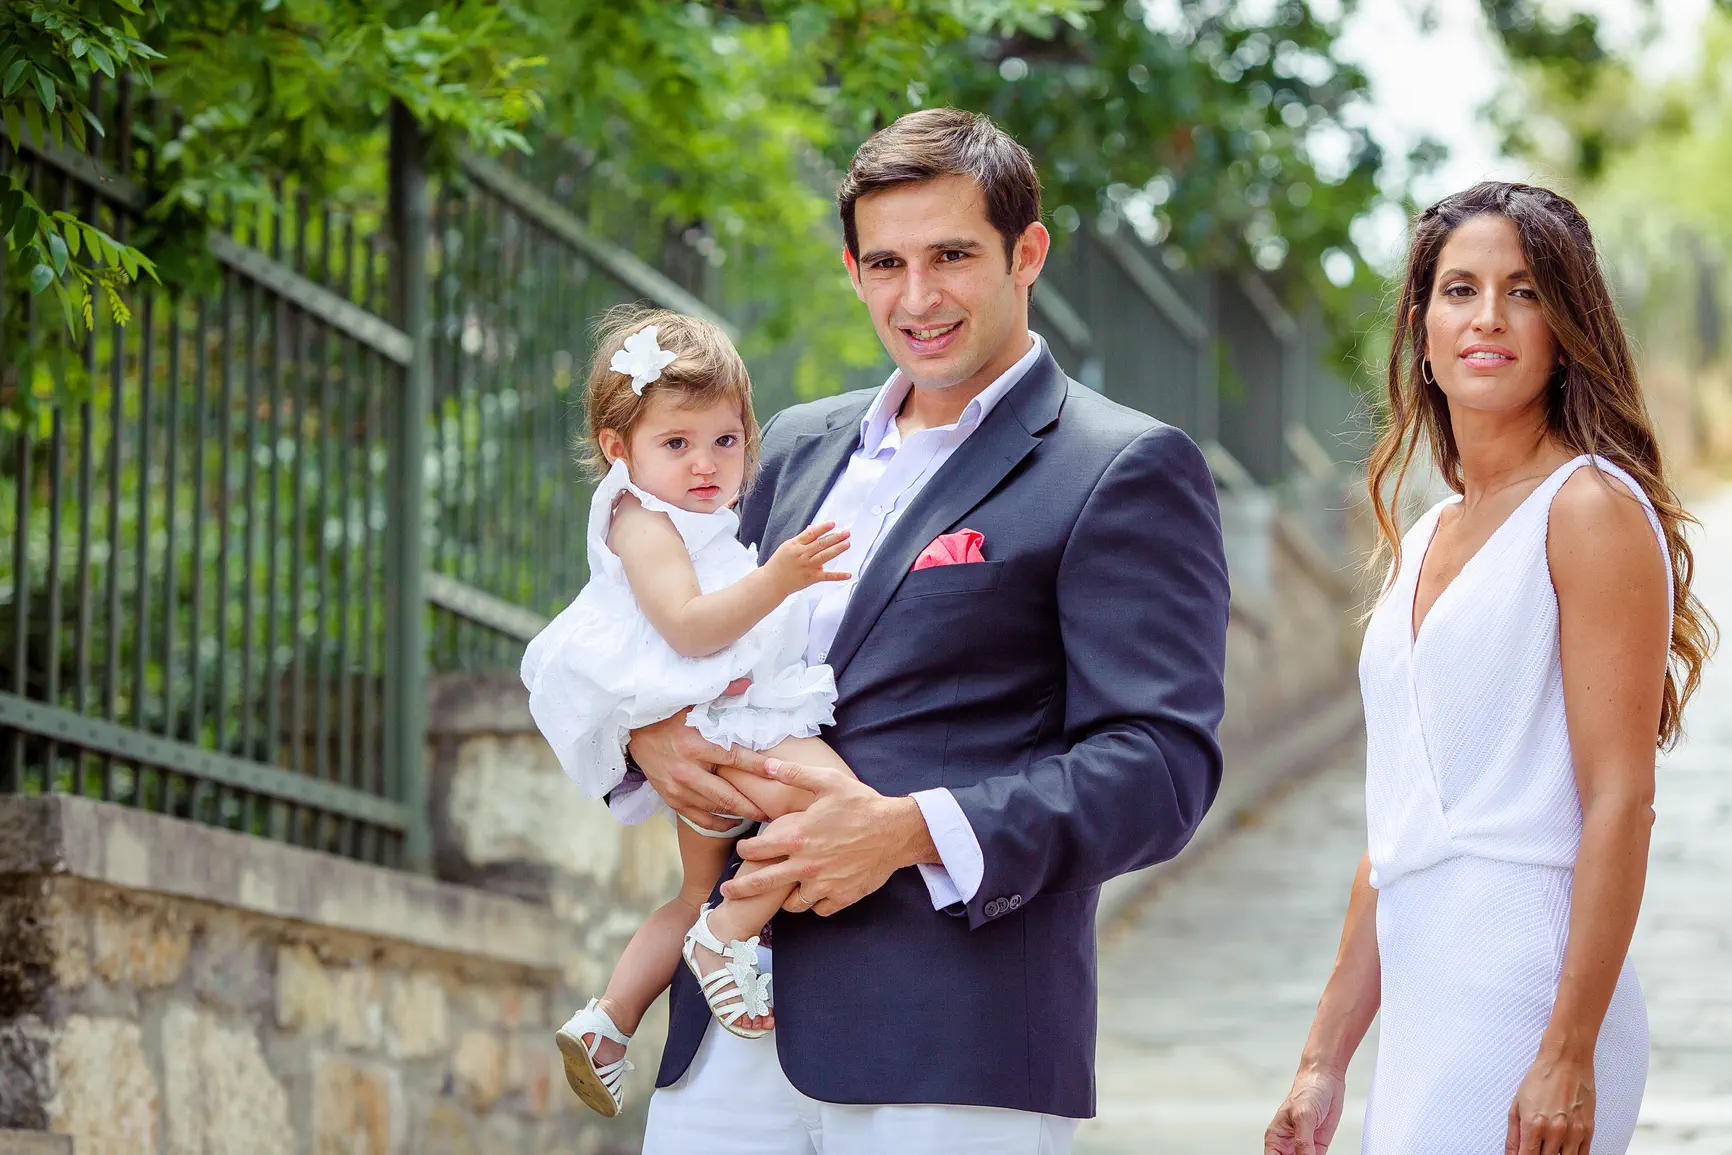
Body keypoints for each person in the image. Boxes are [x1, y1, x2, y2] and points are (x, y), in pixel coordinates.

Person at [625, 108, 1231, 1153]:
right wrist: (648, 737)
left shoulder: (1120, 466)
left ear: (1026, 253)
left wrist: (908, 830)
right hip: (726, 1032)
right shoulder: (791, 447)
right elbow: (674, 640)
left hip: (953, 1041)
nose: (917, 297)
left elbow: (1159, 770)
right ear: (853, 271)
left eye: (951, 256)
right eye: (886, 264)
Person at [1265, 182, 1715, 1155]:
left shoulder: (1589, 507)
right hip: (1425, 1000)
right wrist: (1323, 1056)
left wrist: (1569, 1046)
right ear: (1422, 331)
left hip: (1529, 988)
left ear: (1566, 330)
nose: (1488, 317)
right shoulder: (1428, 534)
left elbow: (1620, 799)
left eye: (1524, 292)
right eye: (1460, 290)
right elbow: (1397, 831)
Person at [519, 306, 861, 1118]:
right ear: (618, 449)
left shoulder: (692, 516)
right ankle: (731, 933)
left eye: (726, 440)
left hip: (711, 721)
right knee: (836, 804)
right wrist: (779, 578)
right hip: (720, 721)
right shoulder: (641, 520)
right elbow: (688, 627)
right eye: (676, 443)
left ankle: (608, 1023)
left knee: (692, 890)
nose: (706, 463)